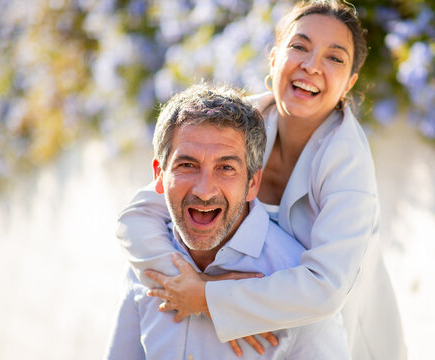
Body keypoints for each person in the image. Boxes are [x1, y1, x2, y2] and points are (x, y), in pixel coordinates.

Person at [116, 1, 407, 359]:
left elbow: (327, 289)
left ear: (349, 83)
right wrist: (183, 285)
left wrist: (210, 298)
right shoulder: (235, 126)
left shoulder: (348, 162)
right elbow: (136, 218)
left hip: (340, 331)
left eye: (335, 58)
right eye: (299, 46)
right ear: (273, 58)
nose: (312, 65)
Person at [106, 84, 350, 359]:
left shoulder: (295, 289)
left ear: (253, 183)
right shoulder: (147, 262)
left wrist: (224, 304)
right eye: (187, 165)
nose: (204, 190)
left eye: (226, 168)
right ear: (159, 176)